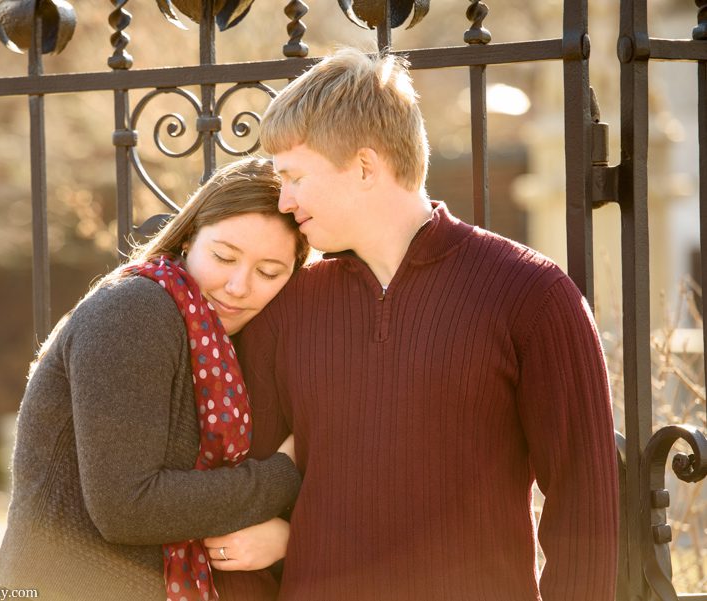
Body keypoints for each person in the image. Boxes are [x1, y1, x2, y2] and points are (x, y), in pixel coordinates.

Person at [228, 48, 619, 600]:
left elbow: (586, 508)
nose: (284, 200)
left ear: (364, 166)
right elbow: (245, 495)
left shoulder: (532, 295)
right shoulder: (285, 309)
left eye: (294, 177)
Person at [0, 158, 311, 601]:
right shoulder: (135, 311)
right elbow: (128, 508)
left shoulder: (215, 337)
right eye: (223, 256)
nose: (239, 285)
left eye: (268, 272)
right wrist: (284, 474)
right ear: (188, 239)